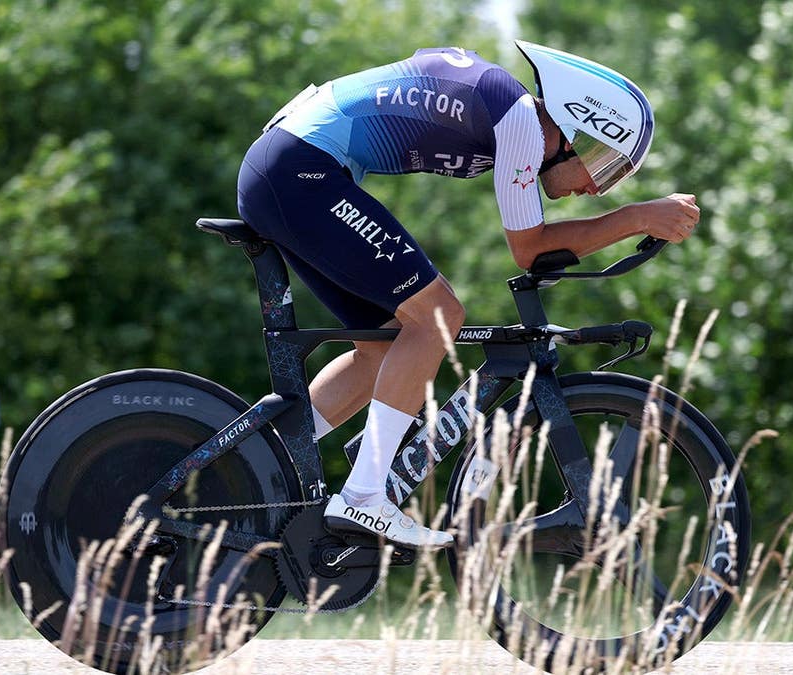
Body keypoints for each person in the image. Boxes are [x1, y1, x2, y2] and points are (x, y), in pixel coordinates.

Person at [236, 41, 700, 548]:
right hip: (301, 171)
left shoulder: (507, 108)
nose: (596, 189)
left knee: (384, 348)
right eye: (605, 167)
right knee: (438, 315)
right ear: (572, 133)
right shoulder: (520, 120)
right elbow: (529, 249)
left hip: (288, 168)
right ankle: (364, 496)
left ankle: (247, 467)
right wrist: (636, 217)